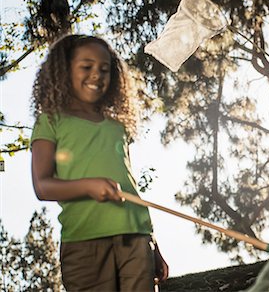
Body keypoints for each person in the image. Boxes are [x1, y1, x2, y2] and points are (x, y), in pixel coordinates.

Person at [30, 34, 168, 291]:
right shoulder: (50, 121)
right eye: (86, 66)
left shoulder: (117, 127)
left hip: (136, 239)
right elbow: (42, 186)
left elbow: (129, 184)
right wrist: (88, 186)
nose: (97, 74)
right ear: (63, 71)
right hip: (83, 243)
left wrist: (153, 244)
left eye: (104, 69)